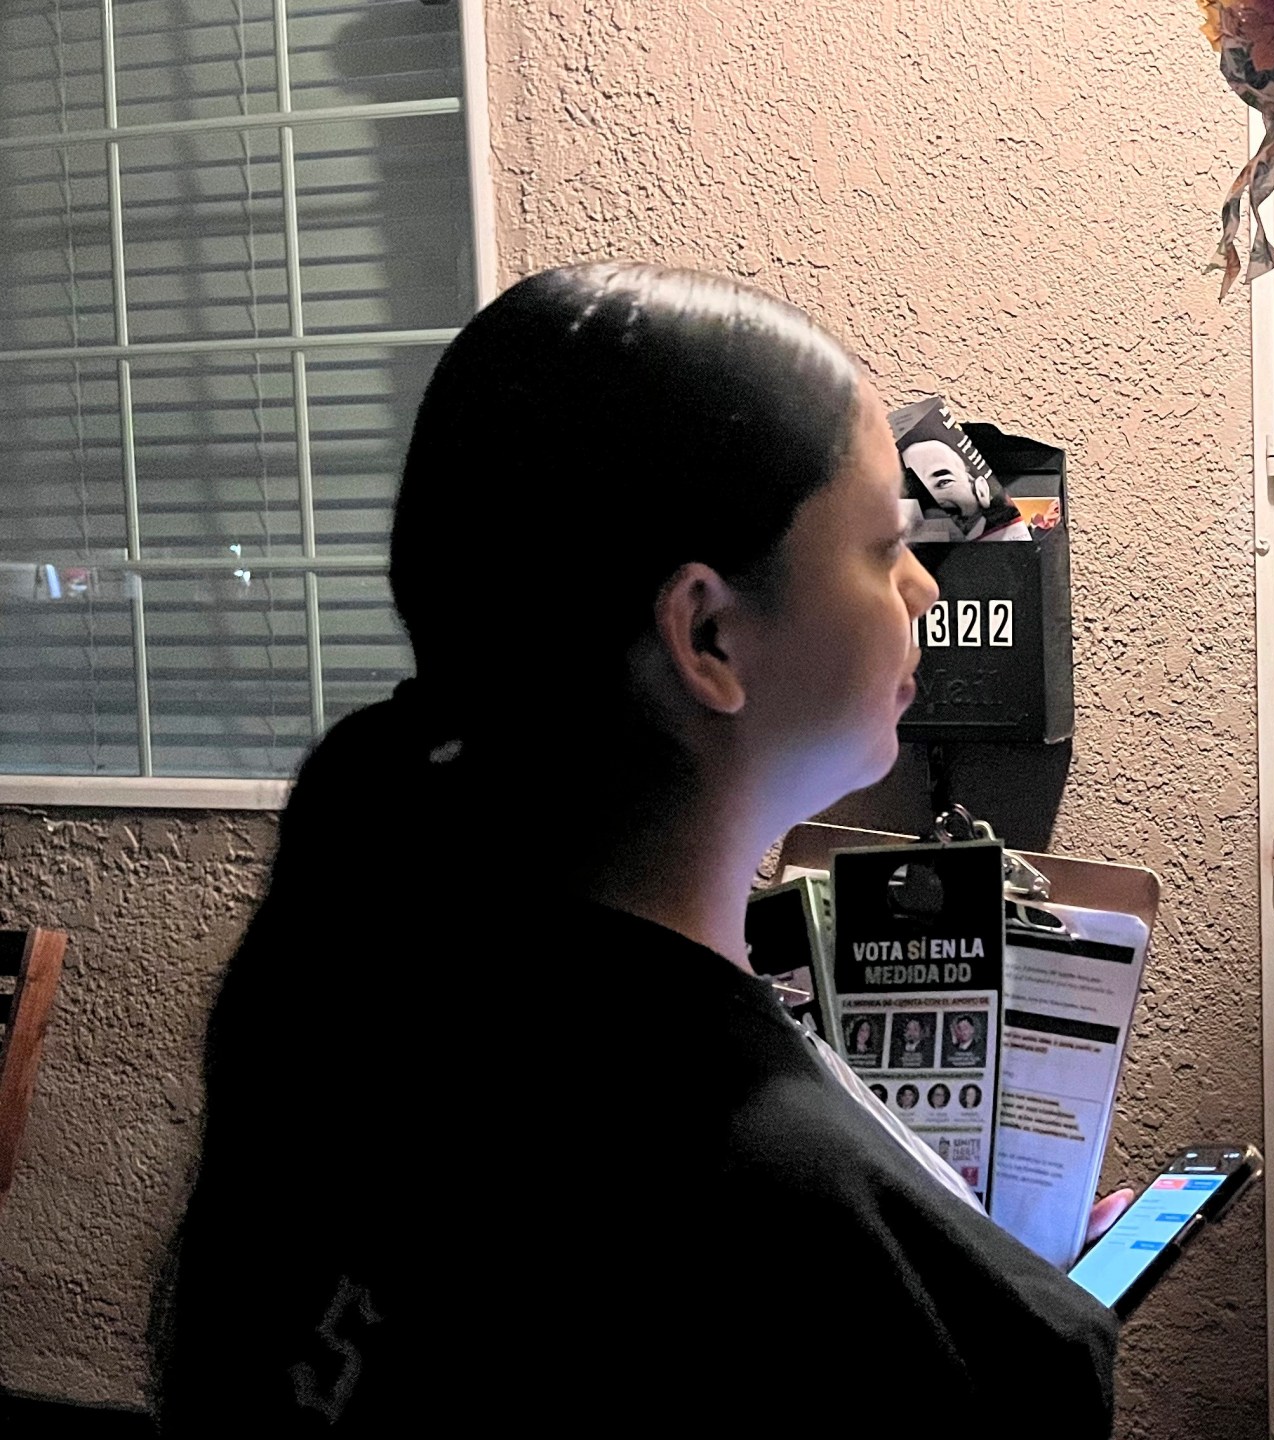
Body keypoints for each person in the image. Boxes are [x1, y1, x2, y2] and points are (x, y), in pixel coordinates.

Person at [156, 264, 1133, 1433]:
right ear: (708, 632)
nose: (922, 586)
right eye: (880, 545)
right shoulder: (776, 1224)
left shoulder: (391, 1007)